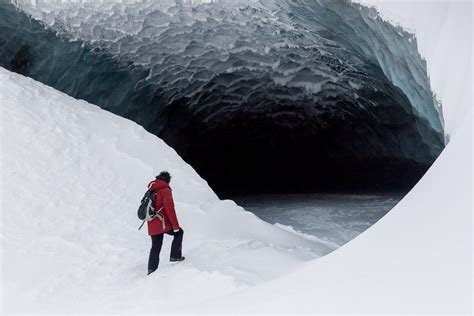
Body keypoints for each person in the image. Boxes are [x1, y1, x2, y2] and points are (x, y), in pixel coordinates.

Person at [147, 171, 185, 275]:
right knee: (179, 232)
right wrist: (175, 226)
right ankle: (175, 256)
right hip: (162, 222)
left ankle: (151, 270)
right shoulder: (165, 190)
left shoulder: (152, 188)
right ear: (168, 180)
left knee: (155, 246)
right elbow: (170, 210)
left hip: (151, 222)